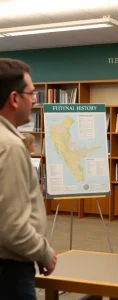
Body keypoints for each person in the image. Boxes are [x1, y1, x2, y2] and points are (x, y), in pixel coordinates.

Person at [0, 58, 56, 300]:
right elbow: (11, 226)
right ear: (14, 98)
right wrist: (43, 252)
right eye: (32, 93)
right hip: (9, 270)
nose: (35, 100)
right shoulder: (9, 146)